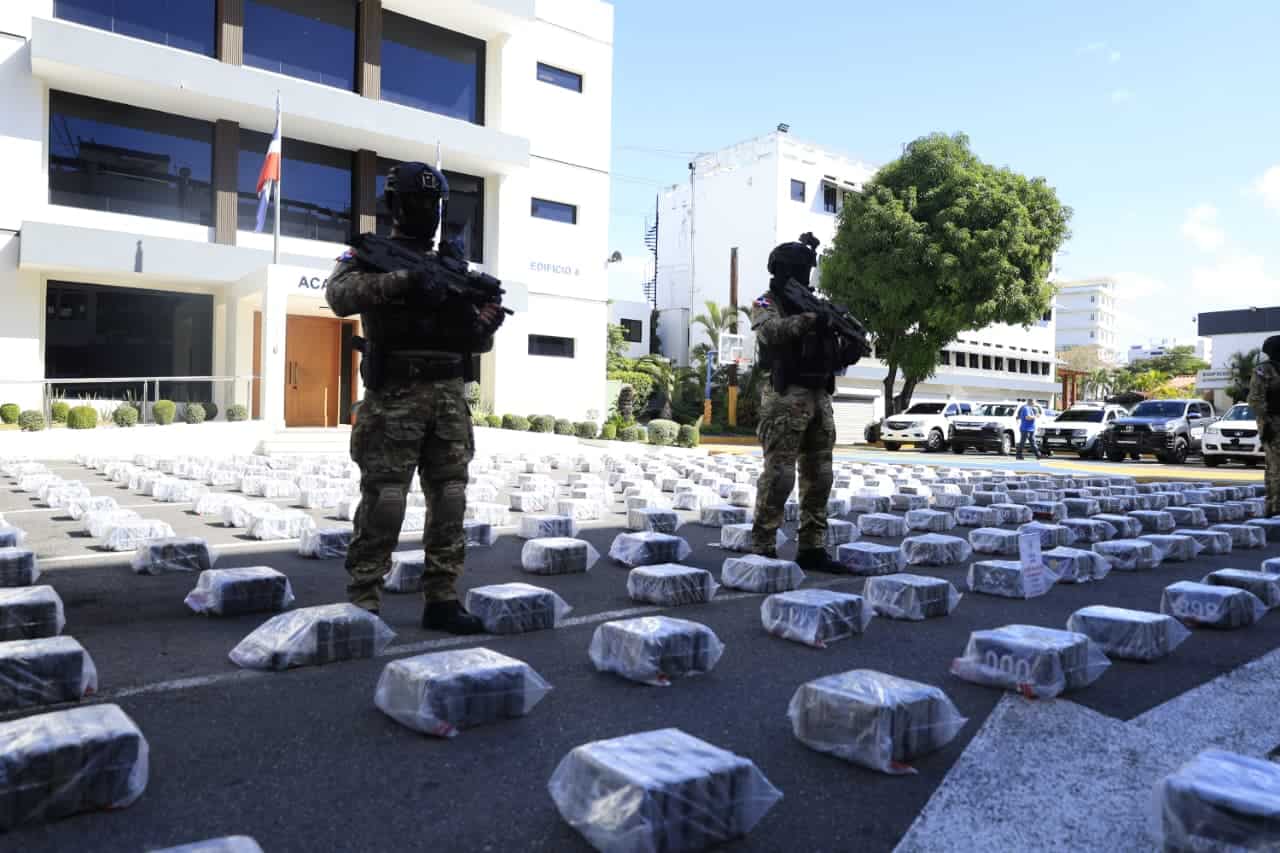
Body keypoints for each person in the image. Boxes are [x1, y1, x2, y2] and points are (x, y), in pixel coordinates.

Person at [325, 162, 506, 634]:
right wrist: (403, 281)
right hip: (394, 395)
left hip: (448, 396)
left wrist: (484, 326)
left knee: (450, 498)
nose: (427, 210)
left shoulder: (453, 266)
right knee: (385, 498)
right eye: (418, 202)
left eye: (434, 203)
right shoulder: (371, 254)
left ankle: (442, 597)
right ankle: (364, 597)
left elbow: (473, 341)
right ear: (396, 205)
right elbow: (340, 296)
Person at [749, 238, 839, 571]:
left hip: (819, 394)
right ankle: (763, 545)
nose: (805, 275)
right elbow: (770, 332)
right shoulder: (766, 301)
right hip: (785, 394)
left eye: (807, 269)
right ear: (784, 269)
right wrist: (809, 319)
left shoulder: (816, 304)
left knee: (820, 476)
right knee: (780, 475)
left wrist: (842, 339)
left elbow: (835, 350)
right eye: (800, 269)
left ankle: (812, 547)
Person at [1248, 335, 1280, 517]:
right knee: (1276, 466)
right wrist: (1266, 423)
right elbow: (1255, 399)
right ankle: (1275, 507)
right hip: (1273, 423)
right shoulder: (1264, 370)